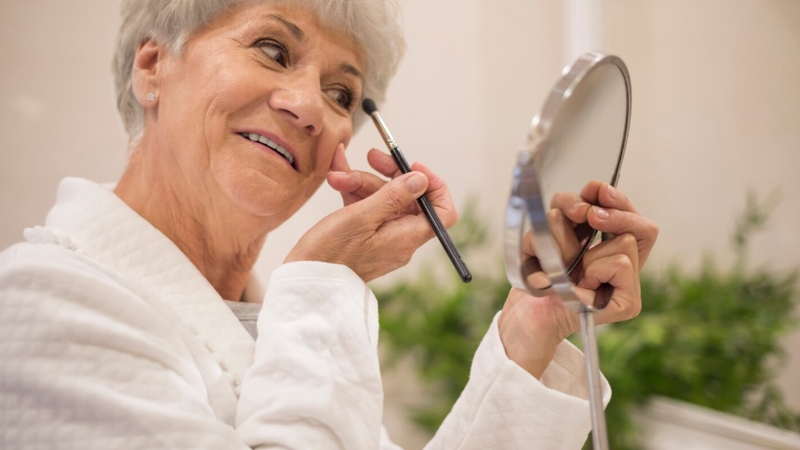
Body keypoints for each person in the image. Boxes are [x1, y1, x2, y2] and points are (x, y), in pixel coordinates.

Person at [0, 0, 658, 449]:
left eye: (342, 93)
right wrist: (325, 279)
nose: (308, 106)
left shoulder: (275, 326)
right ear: (153, 67)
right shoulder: (34, 305)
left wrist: (531, 328)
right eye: (272, 49)